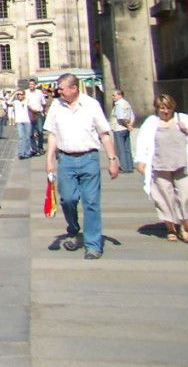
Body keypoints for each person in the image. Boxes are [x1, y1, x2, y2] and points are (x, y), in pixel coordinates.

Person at [43, 72, 120, 259]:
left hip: (89, 158)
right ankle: (74, 229)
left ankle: (93, 244)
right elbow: (53, 134)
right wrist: (49, 160)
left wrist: (112, 159)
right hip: (66, 159)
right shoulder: (56, 106)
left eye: (61, 88)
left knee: (91, 202)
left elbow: (104, 133)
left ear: (74, 88)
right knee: (67, 199)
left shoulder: (91, 105)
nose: (57, 91)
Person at [133, 93, 188, 243]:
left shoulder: (182, 119)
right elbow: (143, 142)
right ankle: (171, 228)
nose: (164, 111)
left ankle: (185, 228)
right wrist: (141, 161)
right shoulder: (151, 123)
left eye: (167, 108)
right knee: (164, 199)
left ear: (172, 107)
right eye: (161, 108)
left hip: (182, 165)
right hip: (160, 166)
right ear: (157, 109)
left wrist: (187, 131)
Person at [109, 89, 135, 173]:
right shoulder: (126, 103)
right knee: (127, 148)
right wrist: (130, 125)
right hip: (126, 128)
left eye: (114, 95)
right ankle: (130, 166)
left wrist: (127, 125)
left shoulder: (119, 105)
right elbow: (132, 115)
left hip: (119, 128)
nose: (112, 97)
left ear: (120, 95)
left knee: (121, 149)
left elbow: (120, 118)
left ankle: (124, 167)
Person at [26, 79, 46, 154]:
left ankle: (40, 147)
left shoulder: (39, 92)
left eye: (32, 84)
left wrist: (43, 111)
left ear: (35, 85)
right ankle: (34, 149)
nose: (31, 86)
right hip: (29, 114)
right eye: (30, 84)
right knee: (30, 133)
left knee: (40, 131)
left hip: (38, 113)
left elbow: (43, 103)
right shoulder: (26, 92)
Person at [11, 89, 32, 159]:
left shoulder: (27, 100)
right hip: (19, 121)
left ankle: (27, 152)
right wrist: (14, 93)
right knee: (21, 137)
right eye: (18, 94)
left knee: (27, 137)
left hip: (27, 121)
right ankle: (21, 153)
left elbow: (31, 105)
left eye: (21, 94)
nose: (19, 96)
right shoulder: (16, 102)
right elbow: (8, 102)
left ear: (24, 95)